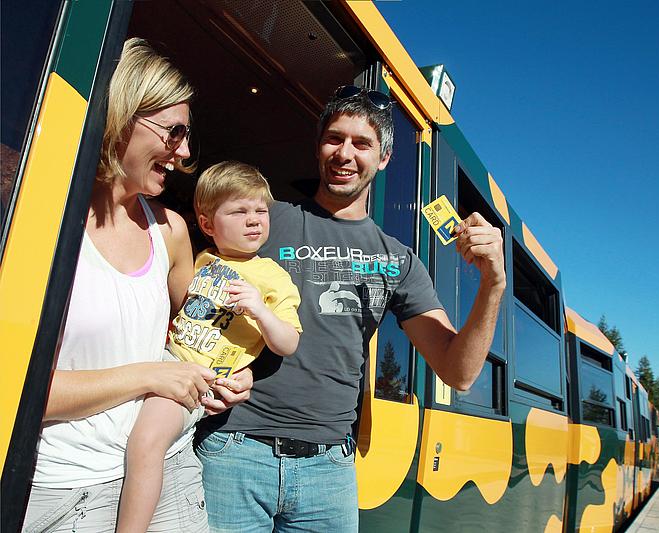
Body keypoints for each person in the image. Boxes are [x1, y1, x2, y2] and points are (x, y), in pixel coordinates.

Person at [197, 85, 506, 532]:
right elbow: (189, 282)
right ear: (318, 147)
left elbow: (459, 372)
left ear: (383, 159)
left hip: (329, 470)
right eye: (334, 138)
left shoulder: (398, 260)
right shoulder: (266, 219)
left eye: (362, 143)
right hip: (234, 449)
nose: (344, 153)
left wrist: (493, 284)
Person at [21, 39, 252, 533]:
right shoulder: (39, 218)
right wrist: (149, 375)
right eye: (174, 132)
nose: (185, 152)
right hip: (60, 491)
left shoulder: (170, 230)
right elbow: (15, 389)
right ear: (123, 116)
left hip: (171, 475)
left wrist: (231, 372)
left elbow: (205, 334)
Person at [117, 161, 303, 533]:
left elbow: (288, 343)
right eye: (239, 211)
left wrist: (260, 310)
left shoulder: (274, 278)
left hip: (195, 381)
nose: (254, 220)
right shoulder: (203, 259)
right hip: (164, 362)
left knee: (147, 441)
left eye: (261, 210)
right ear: (206, 224)